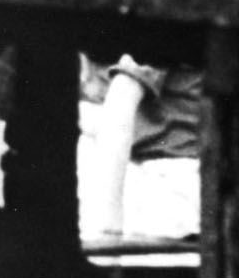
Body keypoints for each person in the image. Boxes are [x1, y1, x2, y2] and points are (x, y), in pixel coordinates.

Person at [78, 56, 201, 242]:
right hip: (152, 175)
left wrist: (108, 237)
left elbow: (121, 102)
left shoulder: (153, 34)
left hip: (168, 185)